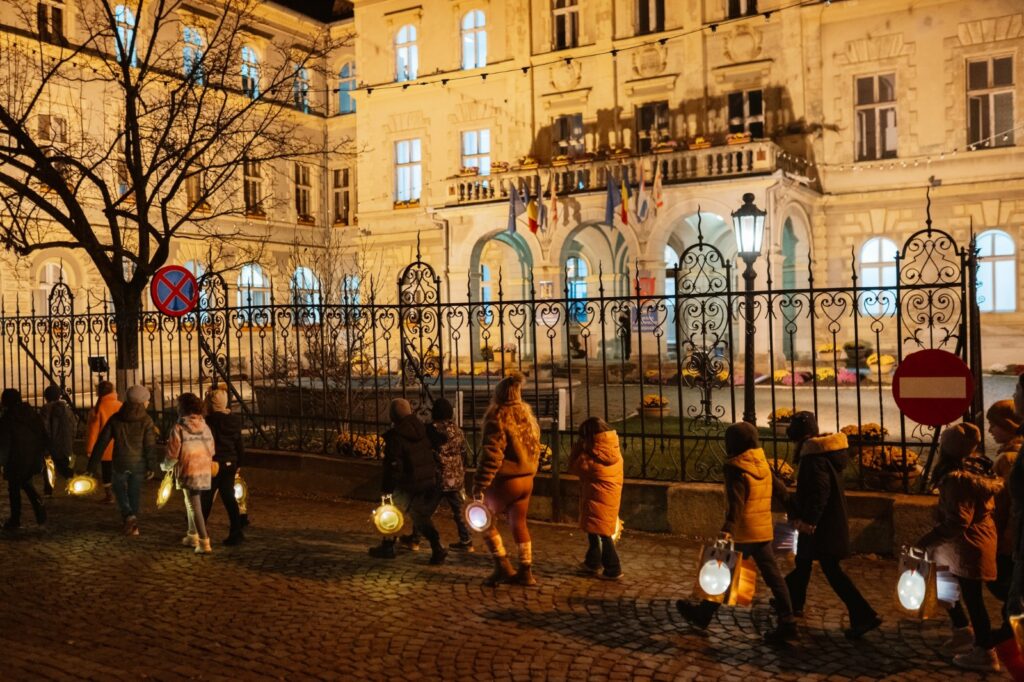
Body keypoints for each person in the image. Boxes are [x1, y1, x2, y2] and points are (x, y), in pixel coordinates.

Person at [676, 422, 798, 644]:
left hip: (743, 530)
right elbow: (782, 492)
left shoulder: (735, 468)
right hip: (762, 529)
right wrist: (796, 512)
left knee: (722, 571)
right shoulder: (762, 463)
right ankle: (787, 620)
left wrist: (728, 529)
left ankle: (703, 615)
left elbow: (736, 503)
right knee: (772, 577)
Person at [783, 411, 881, 638]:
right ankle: (791, 603)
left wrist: (809, 521)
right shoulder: (822, 453)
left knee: (831, 570)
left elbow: (820, 491)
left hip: (822, 527)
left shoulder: (813, 457)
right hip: (826, 524)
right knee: (803, 562)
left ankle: (864, 614)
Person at [917, 422, 1001, 672]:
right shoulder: (971, 471)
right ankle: (962, 629)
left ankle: (985, 652)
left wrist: (927, 540)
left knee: (973, 598)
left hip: (966, 545)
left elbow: (959, 521)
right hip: (958, 545)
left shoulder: (956, 480)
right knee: (944, 586)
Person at [473, 373, 542, 587]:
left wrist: (480, 483)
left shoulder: (498, 415)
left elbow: (492, 454)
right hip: (527, 480)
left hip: (507, 481)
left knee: (482, 519)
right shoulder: (526, 415)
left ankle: (502, 565)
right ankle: (525, 570)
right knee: (519, 523)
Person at [370, 398, 447, 565]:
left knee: (391, 511)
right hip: (428, 480)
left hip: (408, 482)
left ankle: (388, 546)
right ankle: (437, 547)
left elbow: (394, 467)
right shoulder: (422, 428)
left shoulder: (396, 437)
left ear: (393, 417)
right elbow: (440, 440)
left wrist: (387, 489)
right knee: (421, 517)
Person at [88, 385, 158, 536]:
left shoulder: (116, 418)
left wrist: (92, 465)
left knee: (120, 491)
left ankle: (128, 516)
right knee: (133, 491)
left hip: (119, 462)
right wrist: (151, 466)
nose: (148, 403)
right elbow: (150, 446)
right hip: (138, 464)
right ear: (142, 402)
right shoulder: (147, 420)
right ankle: (133, 522)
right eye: (147, 400)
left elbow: (101, 443)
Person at [568, 417, 624, 580]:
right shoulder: (612, 449)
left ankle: (613, 569)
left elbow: (574, 468)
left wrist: (577, 449)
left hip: (598, 498)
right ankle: (592, 563)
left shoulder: (591, 456)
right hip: (607, 497)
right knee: (595, 531)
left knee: (603, 535)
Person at [163, 393, 216, 555]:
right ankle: (192, 535)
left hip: (188, 469)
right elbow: (212, 449)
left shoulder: (179, 428)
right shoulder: (205, 427)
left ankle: (204, 541)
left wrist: (165, 466)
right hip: (203, 468)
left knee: (194, 506)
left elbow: (172, 454)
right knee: (190, 502)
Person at [425, 397, 473, 552]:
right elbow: (464, 453)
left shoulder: (432, 429)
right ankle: (466, 540)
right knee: (459, 511)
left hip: (439, 476)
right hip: (456, 476)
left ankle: (415, 538)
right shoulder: (457, 430)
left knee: (425, 510)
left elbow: (427, 450)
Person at [201, 389, 245, 546]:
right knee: (229, 498)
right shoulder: (233, 420)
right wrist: (239, 463)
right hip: (230, 462)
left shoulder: (209, 421)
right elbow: (239, 444)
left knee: (206, 498)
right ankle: (236, 530)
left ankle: (199, 531)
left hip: (214, 463)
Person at [0, 388, 49, 530]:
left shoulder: (8, 418)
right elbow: (43, 435)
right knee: (26, 484)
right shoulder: (32, 414)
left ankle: (15, 519)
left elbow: (4, 442)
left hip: (15, 459)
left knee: (15, 489)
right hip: (32, 457)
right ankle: (39, 513)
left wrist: (2, 461)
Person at [85, 381, 121, 504]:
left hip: (104, 447)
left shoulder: (98, 408)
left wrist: (90, 449)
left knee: (106, 472)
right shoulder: (120, 405)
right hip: (120, 445)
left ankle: (109, 495)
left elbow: (93, 431)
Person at [40, 384, 76, 492]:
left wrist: (46, 440)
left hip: (51, 443)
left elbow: (44, 426)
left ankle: (48, 490)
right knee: (65, 465)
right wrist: (71, 438)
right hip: (65, 442)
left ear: (46, 397)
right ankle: (71, 485)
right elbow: (74, 425)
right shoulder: (66, 409)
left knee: (48, 466)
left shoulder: (46, 409)